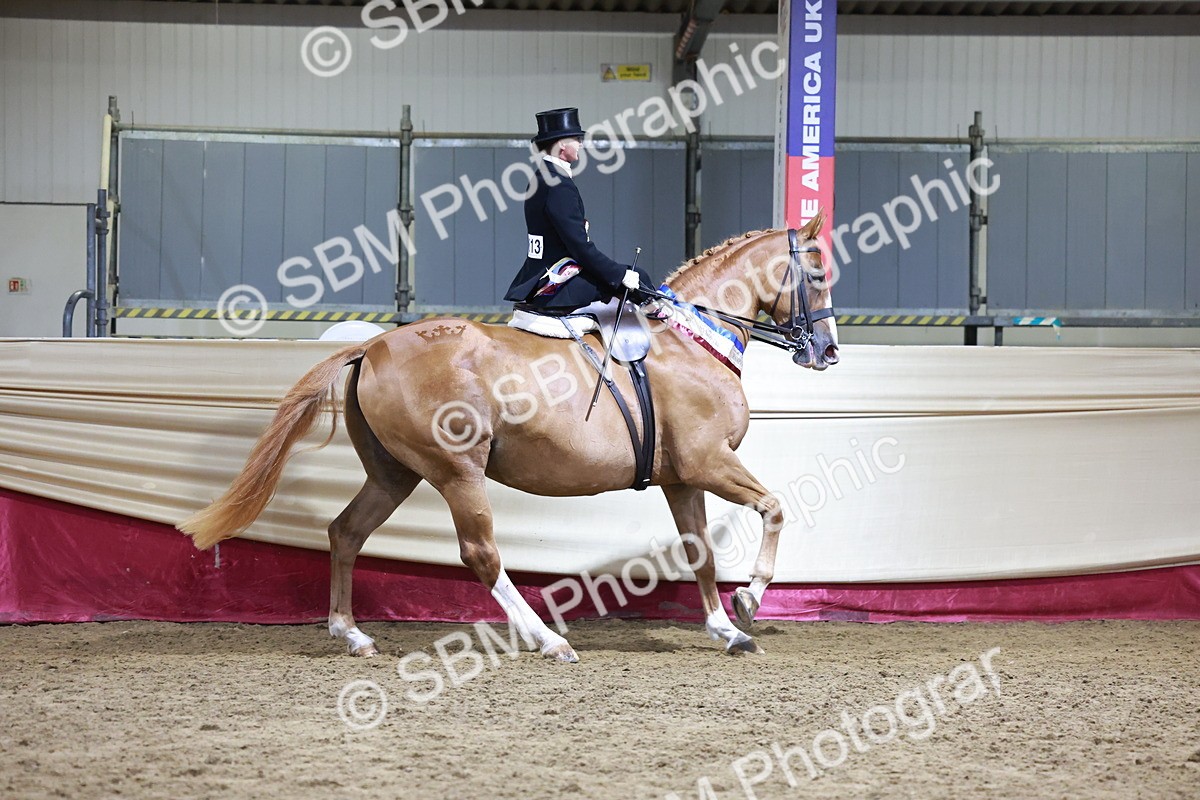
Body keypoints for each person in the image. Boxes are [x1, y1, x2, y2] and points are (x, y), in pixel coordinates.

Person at [504, 107, 651, 313]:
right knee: (640, 279)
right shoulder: (558, 184)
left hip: (537, 274)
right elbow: (579, 247)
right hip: (557, 283)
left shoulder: (541, 176)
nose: (581, 144)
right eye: (577, 139)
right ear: (562, 144)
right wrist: (619, 274)